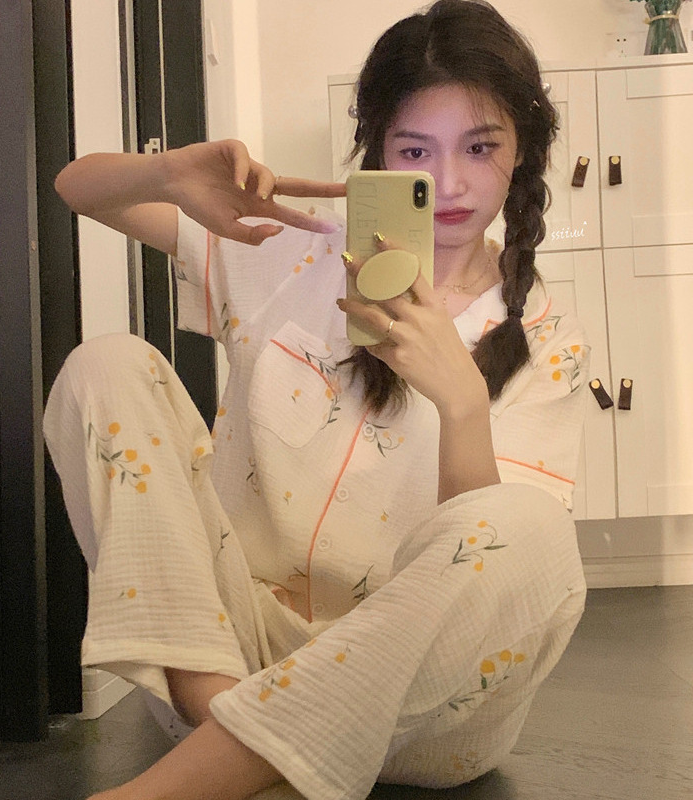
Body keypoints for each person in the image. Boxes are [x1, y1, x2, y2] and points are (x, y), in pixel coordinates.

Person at [44, 1, 590, 798]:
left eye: (480, 147)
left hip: (421, 719)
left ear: (521, 151)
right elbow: (77, 189)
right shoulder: (288, 250)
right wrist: (168, 173)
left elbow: (490, 564)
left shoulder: (546, 334)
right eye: (415, 149)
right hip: (235, 664)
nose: (447, 182)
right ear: (377, 154)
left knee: (531, 526)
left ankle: (197, 778)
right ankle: (236, 734)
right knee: (107, 365)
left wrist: (463, 404)